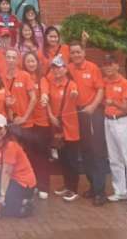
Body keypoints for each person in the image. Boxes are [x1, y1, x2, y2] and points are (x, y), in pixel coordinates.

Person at [67, 41, 108, 205]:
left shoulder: (92, 68)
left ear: (84, 53)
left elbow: (100, 89)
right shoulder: (68, 68)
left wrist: (93, 106)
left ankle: (100, 191)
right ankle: (93, 186)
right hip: (78, 114)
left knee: (96, 151)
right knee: (85, 151)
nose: (76, 55)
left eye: (78, 52)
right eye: (73, 52)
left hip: (92, 113)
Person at [101, 54, 127, 208]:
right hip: (108, 121)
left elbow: (126, 107)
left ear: (117, 65)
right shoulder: (104, 81)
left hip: (122, 122)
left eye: (111, 64)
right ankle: (120, 191)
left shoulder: (124, 83)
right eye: (105, 64)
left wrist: (113, 103)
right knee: (114, 159)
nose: (108, 67)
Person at [47, 55, 80, 202]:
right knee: (63, 159)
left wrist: (74, 95)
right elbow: (47, 101)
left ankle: (74, 189)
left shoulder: (71, 84)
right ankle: (67, 185)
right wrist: (51, 117)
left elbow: (75, 95)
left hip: (70, 129)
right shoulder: (51, 84)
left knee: (72, 160)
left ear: (65, 69)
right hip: (58, 128)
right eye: (54, 68)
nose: (56, 70)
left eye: (59, 67)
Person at [0, 113, 36, 218]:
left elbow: (7, 172)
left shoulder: (10, 145)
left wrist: (2, 195)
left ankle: (25, 205)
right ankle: (19, 201)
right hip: (12, 179)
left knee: (5, 211)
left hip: (23, 183)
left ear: (5, 129)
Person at [21, 52, 51, 199]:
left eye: (33, 61)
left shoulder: (42, 79)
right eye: (28, 61)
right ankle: (31, 186)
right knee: (29, 157)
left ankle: (43, 186)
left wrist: (44, 97)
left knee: (42, 157)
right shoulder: (21, 77)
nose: (31, 64)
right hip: (27, 124)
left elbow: (45, 92)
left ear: (37, 63)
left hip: (41, 123)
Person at [4, 48, 37, 133]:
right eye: (8, 57)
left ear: (18, 60)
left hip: (25, 123)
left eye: (13, 58)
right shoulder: (1, 77)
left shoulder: (25, 75)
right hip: (9, 122)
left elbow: (33, 98)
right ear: (5, 59)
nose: (11, 60)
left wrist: (25, 118)